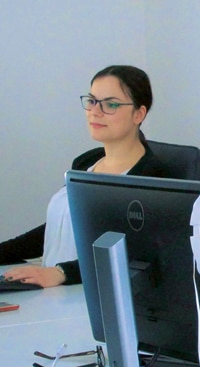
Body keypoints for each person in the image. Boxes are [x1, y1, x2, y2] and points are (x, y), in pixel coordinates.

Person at [0, 65, 171, 288]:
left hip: (95, 296)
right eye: (92, 101)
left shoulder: (152, 177)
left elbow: (137, 255)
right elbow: (60, 227)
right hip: (53, 290)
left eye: (111, 104)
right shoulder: (86, 162)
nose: (95, 112)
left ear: (138, 114)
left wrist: (62, 272)